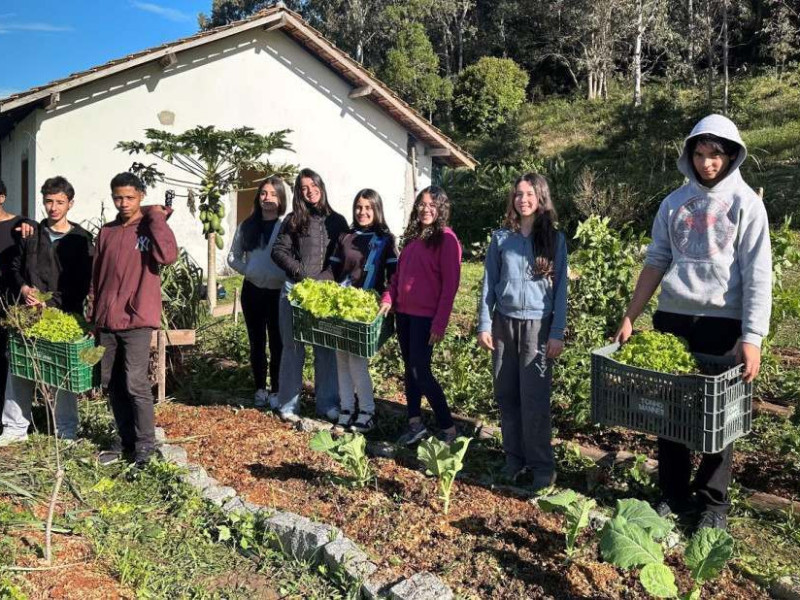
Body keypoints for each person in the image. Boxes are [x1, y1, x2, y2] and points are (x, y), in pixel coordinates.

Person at [614, 114, 772, 531]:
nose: (707, 164)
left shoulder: (746, 205)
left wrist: (752, 335)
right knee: (672, 414)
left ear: (731, 155)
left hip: (723, 322)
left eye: (715, 155)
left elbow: (758, 273)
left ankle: (713, 504)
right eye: (700, 155)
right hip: (673, 318)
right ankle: (672, 494)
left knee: (721, 418)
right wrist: (632, 314)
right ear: (689, 156)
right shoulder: (673, 203)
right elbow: (656, 261)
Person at [476, 173, 567, 491]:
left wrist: (557, 331)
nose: (522, 199)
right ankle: (514, 461)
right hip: (504, 325)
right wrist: (484, 323)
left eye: (529, 194)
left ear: (540, 198)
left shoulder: (554, 239)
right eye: (518, 194)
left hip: (538, 328)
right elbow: (488, 282)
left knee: (535, 400)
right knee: (507, 396)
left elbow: (561, 291)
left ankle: (542, 466)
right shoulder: (501, 238)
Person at [90, 172, 177, 467]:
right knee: (112, 382)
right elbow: (97, 275)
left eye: (129, 197)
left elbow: (167, 255)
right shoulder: (107, 232)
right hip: (108, 319)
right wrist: (94, 313)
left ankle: (144, 446)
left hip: (137, 318)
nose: (123, 203)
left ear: (140, 195)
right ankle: (125, 440)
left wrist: (156, 217)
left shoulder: (149, 228)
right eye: (118, 197)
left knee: (135, 382)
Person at [0, 177, 94, 446]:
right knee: (20, 368)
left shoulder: (81, 239)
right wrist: (26, 289)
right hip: (27, 314)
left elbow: (83, 282)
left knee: (62, 372)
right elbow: (14, 268)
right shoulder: (32, 234)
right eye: (49, 201)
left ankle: (65, 430)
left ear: (70, 204)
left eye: (59, 202)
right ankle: (15, 428)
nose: (53, 208)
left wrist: (51, 303)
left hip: (64, 315)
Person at [379, 186, 461, 445]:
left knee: (420, 371)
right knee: (410, 370)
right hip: (404, 314)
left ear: (441, 209)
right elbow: (399, 276)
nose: (426, 209)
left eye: (432, 205)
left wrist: (440, 322)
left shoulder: (447, 239)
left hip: (426, 318)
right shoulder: (414, 238)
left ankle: (448, 427)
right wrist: (389, 297)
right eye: (422, 204)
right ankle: (414, 422)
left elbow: (450, 286)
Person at [271, 168, 348, 421]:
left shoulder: (337, 221)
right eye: (304, 188)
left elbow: (341, 259)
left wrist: (324, 279)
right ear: (298, 192)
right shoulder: (293, 219)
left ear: (321, 186)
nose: (310, 191)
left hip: (324, 294)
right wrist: (300, 272)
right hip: (295, 291)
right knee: (293, 348)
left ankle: (327, 405)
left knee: (325, 349)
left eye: (313, 185)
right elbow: (278, 251)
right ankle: (288, 406)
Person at [327, 189, 398, 432]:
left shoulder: (385, 240)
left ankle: (366, 411)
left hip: (365, 308)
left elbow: (394, 275)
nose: (362, 212)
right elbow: (333, 270)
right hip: (341, 305)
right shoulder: (345, 236)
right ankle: (347, 410)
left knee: (357, 360)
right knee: (341, 359)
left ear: (376, 210)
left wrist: (388, 298)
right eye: (359, 207)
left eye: (368, 207)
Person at [227, 176, 288, 409]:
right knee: (257, 342)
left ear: (281, 198)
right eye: (263, 193)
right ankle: (260, 388)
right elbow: (233, 257)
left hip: (278, 293)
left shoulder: (285, 227)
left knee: (278, 342)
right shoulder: (247, 226)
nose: (268, 198)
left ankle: (277, 390)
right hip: (252, 292)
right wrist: (249, 270)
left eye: (273, 194)